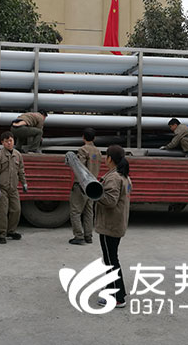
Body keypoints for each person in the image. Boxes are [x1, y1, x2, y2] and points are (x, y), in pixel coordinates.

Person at [94, 144, 132, 309]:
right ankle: (112, 288)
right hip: (117, 223)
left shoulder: (114, 178)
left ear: (110, 158)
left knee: (111, 260)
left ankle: (118, 297)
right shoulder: (124, 176)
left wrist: (95, 193)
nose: (105, 158)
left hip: (109, 225)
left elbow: (110, 201)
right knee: (110, 258)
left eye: (106, 156)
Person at [0, 131, 28, 244]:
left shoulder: (17, 155)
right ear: (2, 142)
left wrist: (24, 183)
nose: (9, 143)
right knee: (2, 212)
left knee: (16, 210)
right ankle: (2, 234)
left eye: (11, 141)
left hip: (13, 188)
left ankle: (11, 231)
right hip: (2, 188)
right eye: (6, 141)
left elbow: (21, 170)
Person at [69, 128, 102, 245]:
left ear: (83, 137)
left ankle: (78, 236)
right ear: (94, 138)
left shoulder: (83, 150)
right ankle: (88, 236)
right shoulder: (98, 152)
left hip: (82, 185)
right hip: (93, 185)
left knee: (75, 211)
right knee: (89, 211)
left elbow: (80, 168)